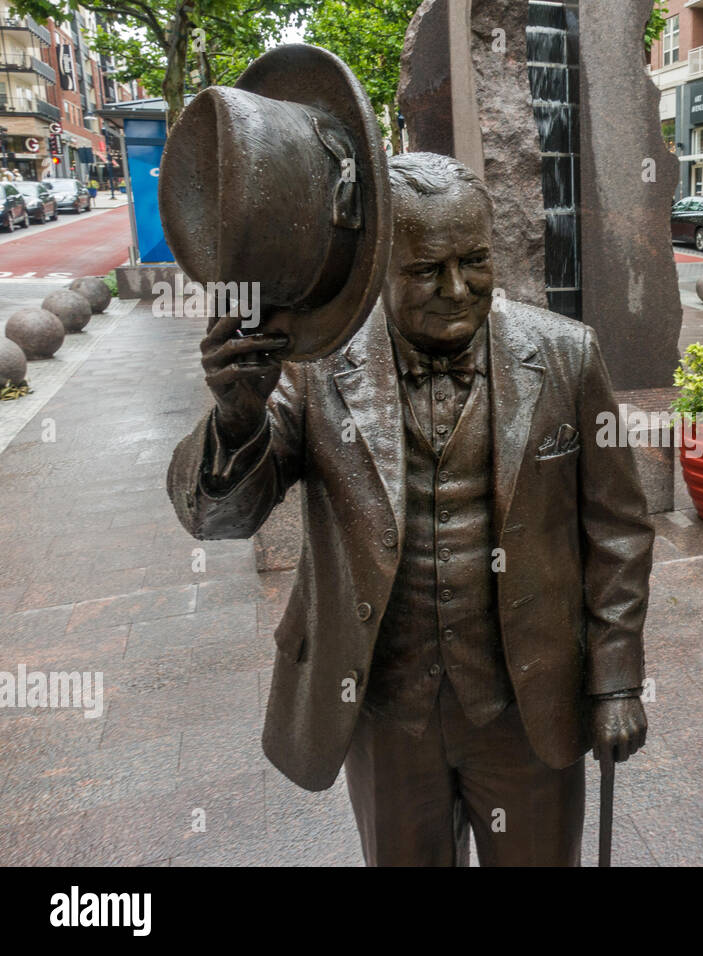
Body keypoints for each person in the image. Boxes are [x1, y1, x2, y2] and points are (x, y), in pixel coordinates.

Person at [167, 152, 654, 865]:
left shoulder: (566, 356)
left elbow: (617, 531)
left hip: (528, 710)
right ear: (377, 265)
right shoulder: (315, 366)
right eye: (427, 270)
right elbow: (220, 518)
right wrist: (236, 419)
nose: (458, 289)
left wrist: (616, 679)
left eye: (476, 261)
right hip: (386, 711)